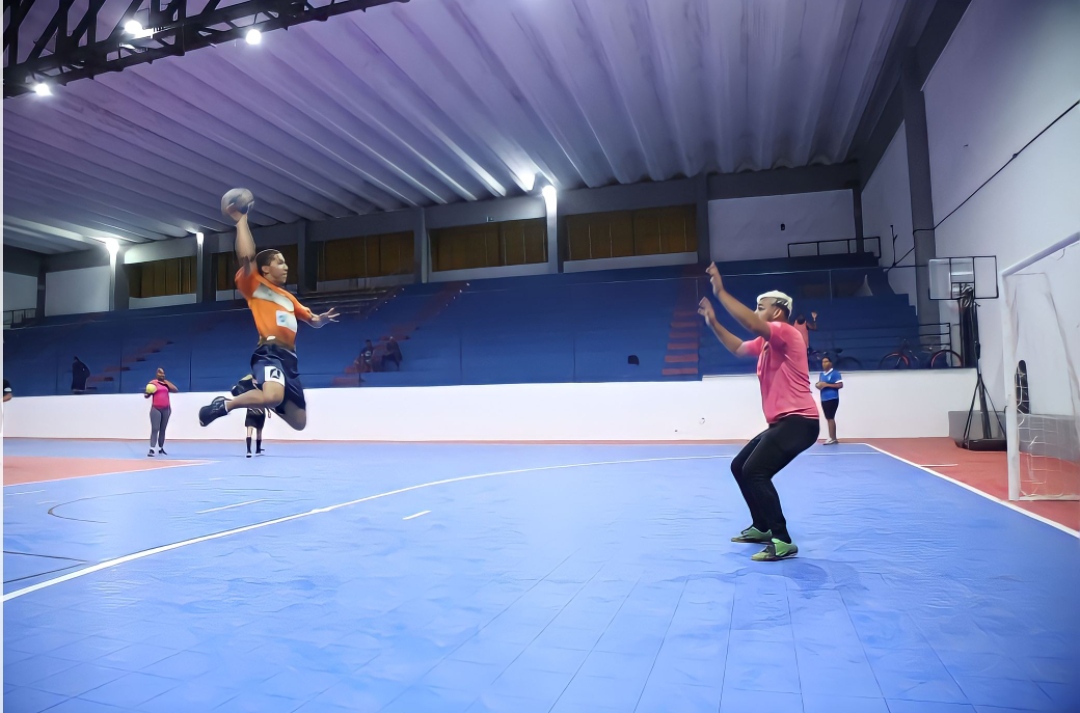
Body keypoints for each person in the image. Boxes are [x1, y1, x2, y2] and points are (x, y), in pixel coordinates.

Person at [697, 263, 820, 561]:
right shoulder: (767, 344)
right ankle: (762, 526)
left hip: (800, 421)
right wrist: (713, 323)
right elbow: (739, 347)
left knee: (756, 471)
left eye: (760, 306)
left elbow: (752, 324)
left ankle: (782, 539)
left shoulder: (786, 333)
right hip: (783, 423)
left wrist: (721, 292)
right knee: (740, 467)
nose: (756, 311)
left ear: (777, 311)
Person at [199, 198, 339, 430]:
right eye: (280, 262)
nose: (286, 267)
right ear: (265, 269)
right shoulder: (255, 285)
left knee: (299, 422)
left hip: (290, 361)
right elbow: (247, 256)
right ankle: (226, 404)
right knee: (273, 397)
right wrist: (241, 220)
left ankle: (253, 387)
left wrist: (321, 319)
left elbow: (312, 320)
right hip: (269, 353)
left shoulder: (289, 298)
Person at [146, 367, 178, 457]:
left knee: (163, 429)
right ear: (157, 374)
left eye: (163, 373)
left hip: (166, 409)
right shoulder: (152, 383)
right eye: (160, 373)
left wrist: (165, 382)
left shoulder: (166, 384)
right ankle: (152, 449)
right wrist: (148, 393)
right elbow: (147, 395)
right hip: (156, 408)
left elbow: (175, 390)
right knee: (155, 428)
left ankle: (161, 448)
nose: (162, 375)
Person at [816, 355, 843, 444]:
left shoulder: (835, 373)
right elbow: (820, 385)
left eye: (826, 361)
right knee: (828, 418)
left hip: (833, 398)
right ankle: (833, 437)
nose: (824, 364)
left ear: (830, 363)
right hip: (824, 398)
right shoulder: (821, 374)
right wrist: (818, 385)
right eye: (823, 362)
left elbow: (840, 385)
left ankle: (832, 437)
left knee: (830, 417)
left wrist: (826, 385)